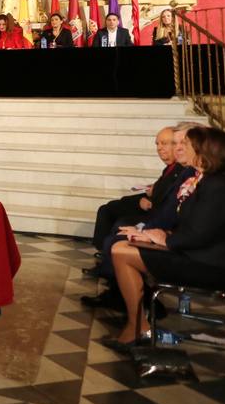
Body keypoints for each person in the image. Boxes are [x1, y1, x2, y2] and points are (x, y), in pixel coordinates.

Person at [108, 127, 225, 347]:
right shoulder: (210, 181)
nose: (181, 149)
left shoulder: (219, 186)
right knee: (123, 246)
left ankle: (137, 327)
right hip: (202, 255)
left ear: (204, 152)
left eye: (186, 145)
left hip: (214, 266)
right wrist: (155, 235)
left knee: (121, 252)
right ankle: (138, 323)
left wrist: (164, 239)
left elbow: (199, 235)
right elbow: (199, 228)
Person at [82, 126, 197, 308]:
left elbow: (183, 220)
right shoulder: (189, 173)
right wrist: (145, 228)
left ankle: (134, 301)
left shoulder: (198, 177)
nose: (177, 148)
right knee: (116, 224)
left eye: (182, 143)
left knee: (119, 237)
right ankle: (123, 294)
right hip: (169, 232)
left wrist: (148, 230)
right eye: (174, 143)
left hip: (187, 251)